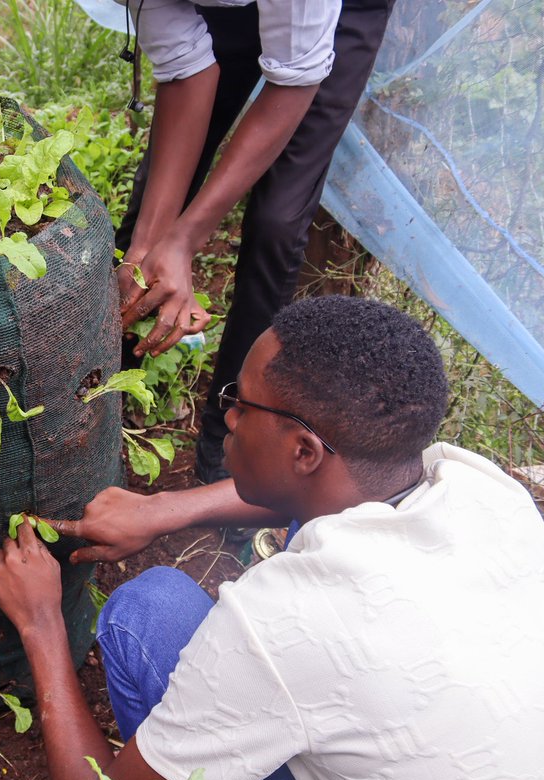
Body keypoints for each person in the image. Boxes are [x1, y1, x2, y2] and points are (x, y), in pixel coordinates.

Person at [0, 295, 544, 780]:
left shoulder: (282, 622)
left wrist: (42, 624)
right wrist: (163, 510)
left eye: (243, 403)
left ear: (305, 451)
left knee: (146, 614)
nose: (227, 415)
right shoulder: (483, 491)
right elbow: (329, 492)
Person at [111, 0, 397, 484]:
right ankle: (104, 392)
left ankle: (229, 446)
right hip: (232, 7)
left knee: (277, 222)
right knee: (150, 214)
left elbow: (295, 80)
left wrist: (185, 240)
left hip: (339, 15)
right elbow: (186, 72)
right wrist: (150, 244)